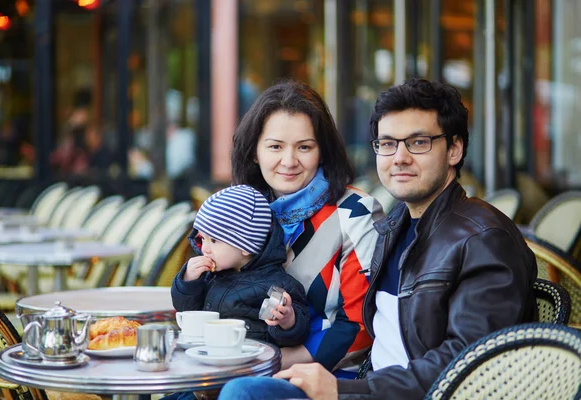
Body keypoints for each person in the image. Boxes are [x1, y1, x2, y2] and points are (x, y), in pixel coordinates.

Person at [218, 78, 538, 399]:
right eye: (387, 143)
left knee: (241, 393)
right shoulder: (398, 224)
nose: (399, 157)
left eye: (418, 142)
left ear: (454, 148)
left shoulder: (483, 239)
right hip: (367, 384)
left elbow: (470, 363)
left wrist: (342, 387)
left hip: (382, 390)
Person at [230, 80, 384, 376]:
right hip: (244, 364)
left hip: (325, 376)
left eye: (304, 147)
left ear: (322, 152)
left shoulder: (355, 212)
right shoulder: (245, 210)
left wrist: (258, 365)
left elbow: (359, 328)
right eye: (275, 146)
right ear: (254, 152)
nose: (289, 161)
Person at [171, 184, 310, 346]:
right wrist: (188, 282)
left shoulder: (279, 285)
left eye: (214, 240)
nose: (205, 248)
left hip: (248, 361)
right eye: (202, 238)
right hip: (206, 355)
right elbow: (185, 310)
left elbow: (298, 335)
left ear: (246, 245)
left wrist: (288, 321)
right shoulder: (208, 276)